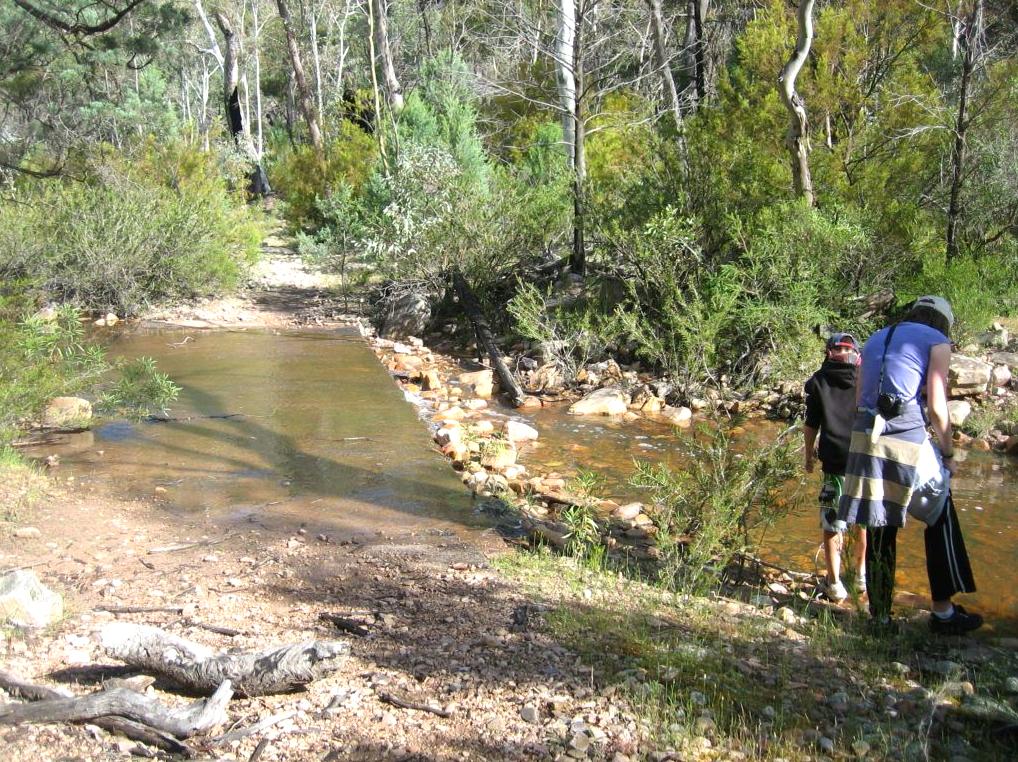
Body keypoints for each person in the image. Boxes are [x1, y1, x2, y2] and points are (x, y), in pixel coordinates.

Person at [838, 295, 982, 634]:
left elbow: (859, 398)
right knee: (940, 512)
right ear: (942, 322)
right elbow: (936, 406)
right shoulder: (938, 342)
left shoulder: (876, 337)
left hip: (864, 440)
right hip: (905, 439)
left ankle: (881, 617)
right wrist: (947, 455)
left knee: (879, 524)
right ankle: (944, 613)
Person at [804, 333, 868, 602]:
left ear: (828, 352)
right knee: (862, 521)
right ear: (855, 353)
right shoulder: (863, 378)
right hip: (862, 461)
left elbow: (811, 424)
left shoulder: (819, 381)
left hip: (833, 462)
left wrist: (808, 456)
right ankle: (861, 575)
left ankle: (834, 583)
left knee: (832, 524)